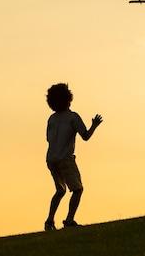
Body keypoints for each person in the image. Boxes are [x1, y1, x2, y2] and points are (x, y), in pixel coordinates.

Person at [44, 83, 103, 231]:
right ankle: (69, 220)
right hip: (65, 159)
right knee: (77, 189)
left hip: (51, 159)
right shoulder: (72, 117)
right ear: (68, 99)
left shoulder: (51, 119)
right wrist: (94, 125)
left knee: (60, 190)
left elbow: (48, 139)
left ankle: (49, 221)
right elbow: (85, 136)